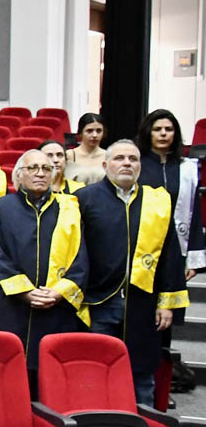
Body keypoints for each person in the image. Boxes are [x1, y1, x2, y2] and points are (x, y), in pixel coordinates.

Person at [79, 140, 188, 404]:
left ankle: (143, 425)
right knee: (97, 370)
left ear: (140, 166)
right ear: (105, 164)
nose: (126, 163)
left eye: (133, 159)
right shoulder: (85, 199)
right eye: (119, 158)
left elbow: (170, 254)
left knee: (141, 374)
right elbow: (75, 252)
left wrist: (167, 303)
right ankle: (99, 425)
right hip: (99, 301)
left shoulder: (157, 201)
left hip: (143, 302)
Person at [0, 150, 89, 391]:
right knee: (13, 378)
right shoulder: (3, 207)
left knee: (52, 379)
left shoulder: (69, 208)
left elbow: (80, 257)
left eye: (46, 169)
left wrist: (59, 293)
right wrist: (25, 292)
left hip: (57, 308)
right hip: (16, 306)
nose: (40, 173)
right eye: (33, 168)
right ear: (19, 175)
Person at [137, 109, 204, 277]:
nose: (163, 134)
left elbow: (195, 215)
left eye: (168, 129)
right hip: (141, 247)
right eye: (157, 129)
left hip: (176, 245)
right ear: (148, 133)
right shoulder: (136, 165)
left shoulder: (186, 168)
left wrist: (194, 261)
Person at [64, 113, 107, 184]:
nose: (94, 135)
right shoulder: (69, 155)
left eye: (99, 131)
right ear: (81, 132)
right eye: (89, 131)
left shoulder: (109, 156)